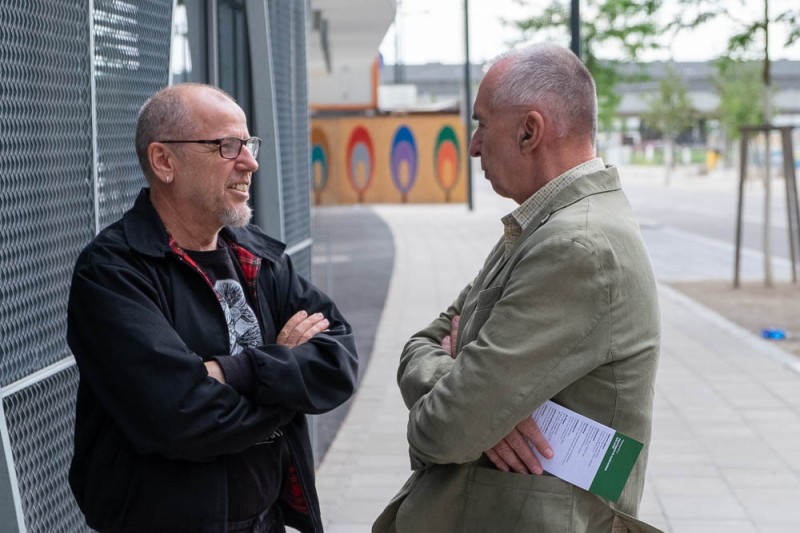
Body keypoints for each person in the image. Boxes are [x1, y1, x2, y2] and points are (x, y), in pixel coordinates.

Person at [373, 44, 661, 532]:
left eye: (481, 124)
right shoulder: (545, 225)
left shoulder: (576, 245)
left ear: (530, 131)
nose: (473, 146)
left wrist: (471, 404)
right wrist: (464, 383)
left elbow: (442, 428)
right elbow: (423, 342)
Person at [67, 83, 358, 533]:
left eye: (248, 143)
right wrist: (287, 380)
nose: (250, 162)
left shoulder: (258, 257)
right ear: (164, 161)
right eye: (226, 146)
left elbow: (338, 359)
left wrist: (235, 373)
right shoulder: (112, 273)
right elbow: (180, 417)